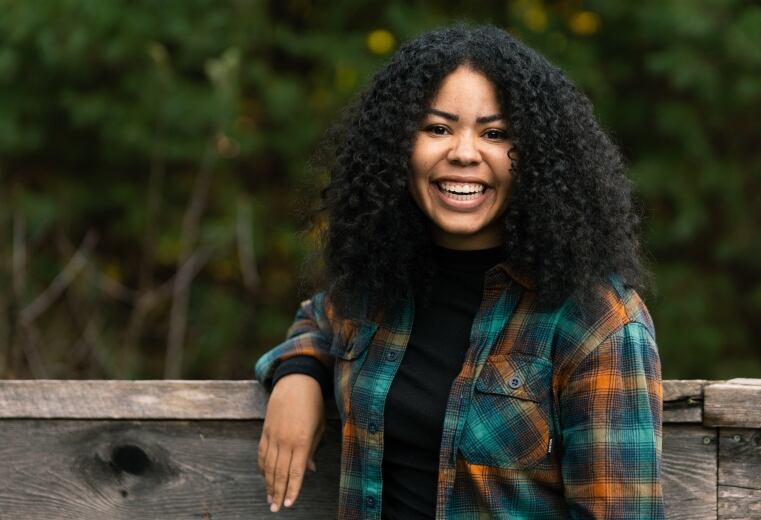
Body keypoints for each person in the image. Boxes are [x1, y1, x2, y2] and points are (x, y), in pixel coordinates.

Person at [254, 24, 664, 519]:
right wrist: (298, 375)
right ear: (397, 147)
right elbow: (320, 319)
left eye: (496, 134)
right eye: (438, 128)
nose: (465, 153)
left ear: (536, 157)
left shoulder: (596, 322)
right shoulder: (379, 286)